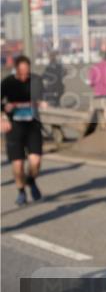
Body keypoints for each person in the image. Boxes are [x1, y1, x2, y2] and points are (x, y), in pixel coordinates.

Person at [1, 56, 46, 205]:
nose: (24, 75)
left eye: (27, 72)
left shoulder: (36, 81)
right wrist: (2, 117)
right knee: (18, 164)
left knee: (36, 161)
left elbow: (42, 98)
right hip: (14, 127)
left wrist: (43, 102)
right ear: (16, 69)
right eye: (21, 72)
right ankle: (21, 192)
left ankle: (31, 180)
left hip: (33, 125)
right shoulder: (7, 83)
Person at [88, 51, 106, 129]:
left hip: (98, 94)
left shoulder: (94, 68)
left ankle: (100, 127)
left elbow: (91, 83)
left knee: (94, 112)